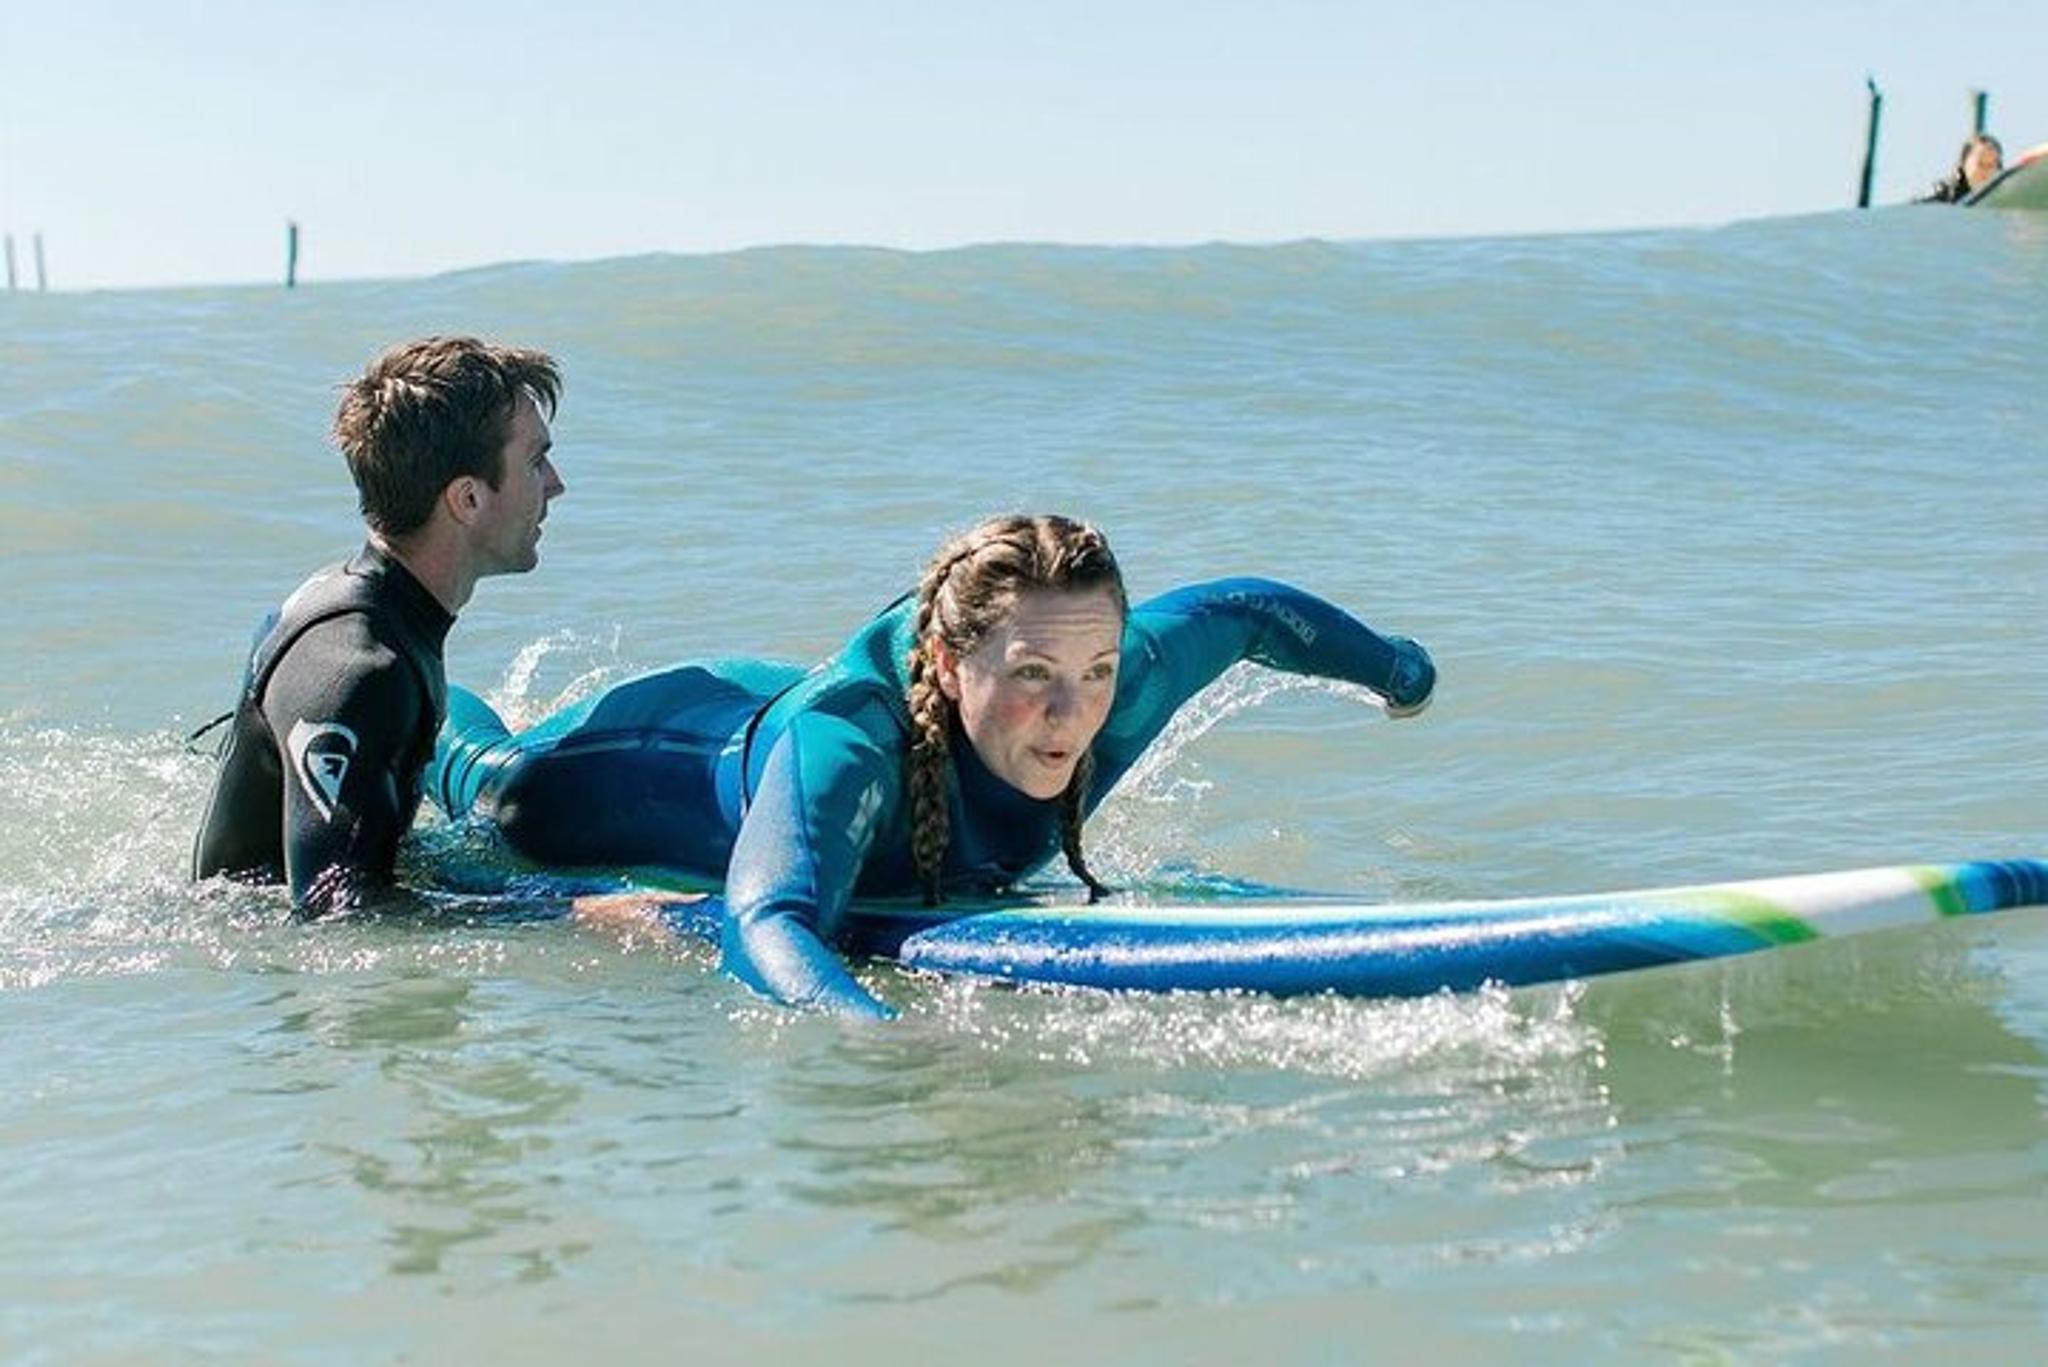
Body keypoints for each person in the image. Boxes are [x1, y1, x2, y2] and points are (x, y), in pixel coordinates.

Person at [429, 514, 1436, 1018]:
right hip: (655, 761)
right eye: (1031, 672)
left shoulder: (1112, 680)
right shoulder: (852, 748)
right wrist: (882, 1038)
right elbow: (766, 922)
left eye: (1092, 669)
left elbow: (1245, 612)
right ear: (949, 666)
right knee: (499, 791)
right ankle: (420, 698)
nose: (1067, 709)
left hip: (780, 702)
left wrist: (1395, 670)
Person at [192, 336, 566, 916]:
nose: (555, 483)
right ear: (467, 499)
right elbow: (337, 911)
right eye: (535, 461)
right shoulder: (359, 669)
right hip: (249, 955)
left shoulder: (379, 613)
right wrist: (568, 917)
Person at [1920, 133, 2003, 203]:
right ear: (1964, 164)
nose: (1986, 171)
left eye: (1991, 166)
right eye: (1980, 164)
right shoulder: (1942, 195)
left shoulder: (2001, 205)